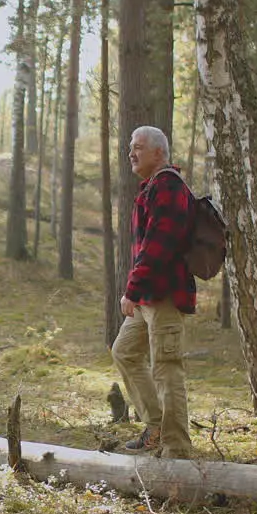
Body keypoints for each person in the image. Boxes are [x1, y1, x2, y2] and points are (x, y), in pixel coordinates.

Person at [112, 125, 196, 460]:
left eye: (139, 147)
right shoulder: (152, 188)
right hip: (148, 298)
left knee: (166, 368)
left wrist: (132, 289)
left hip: (163, 297)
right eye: (130, 146)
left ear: (159, 152)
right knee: (125, 352)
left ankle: (176, 450)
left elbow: (158, 246)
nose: (131, 152)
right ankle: (157, 427)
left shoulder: (168, 186)